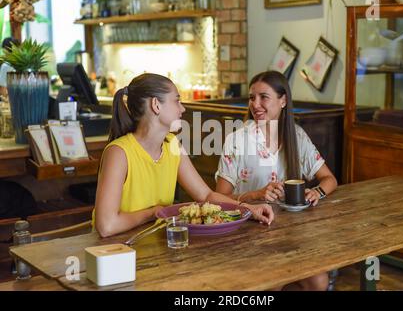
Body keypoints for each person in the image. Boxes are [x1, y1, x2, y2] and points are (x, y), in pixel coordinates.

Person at [94, 73, 274, 238]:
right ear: (156, 105)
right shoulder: (118, 153)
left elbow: (206, 196)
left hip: (158, 242)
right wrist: (153, 212)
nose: (183, 108)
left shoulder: (172, 144)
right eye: (177, 101)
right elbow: (106, 226)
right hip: (117, 251)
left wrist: (247, 209)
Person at [215, 70, 338, 291]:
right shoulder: (237, 140)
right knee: (273, 283)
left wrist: (316, 192)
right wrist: (256, 195)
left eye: (264, 97)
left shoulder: (297, 136)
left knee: (319, 282)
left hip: (291, 233)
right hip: (250, 232)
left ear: (283, 101)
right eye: (252, 98)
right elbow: (220, 199)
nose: (256, 104)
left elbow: (329, 179)